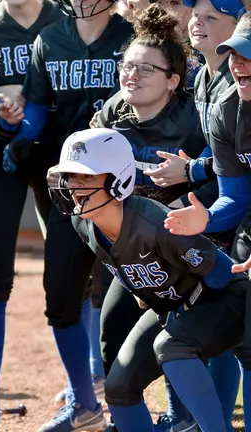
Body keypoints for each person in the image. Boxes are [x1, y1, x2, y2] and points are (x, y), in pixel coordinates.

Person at [49, 127, 250, 432]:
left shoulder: (157, 223)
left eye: (86, 177)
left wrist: (193, 322)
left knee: (171, 345)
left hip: (224, 300)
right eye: (71, 177)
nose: (74, 187)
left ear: (117, 180)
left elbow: (221, 273)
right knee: (118, 386)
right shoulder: (82, 222)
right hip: (173, 306)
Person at [5, 0, 133, 428]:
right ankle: (84, 402)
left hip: (125, 187)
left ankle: (127, 404)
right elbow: (39, 106)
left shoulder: (130, 35)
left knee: (129, 300)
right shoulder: (50, 38)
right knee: (60, 297)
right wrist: (21, 135)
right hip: (72, 187)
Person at [0, 0, 62, 428]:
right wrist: (1, 116)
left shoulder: (66, 20)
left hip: (57, 157)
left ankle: (91, 382)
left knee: (74, 272)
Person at [164, 14, 251, 429]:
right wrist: (205, 219)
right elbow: (236, 195)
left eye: (249, 54)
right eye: (233, 52)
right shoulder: (228, 108)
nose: (238, 63)